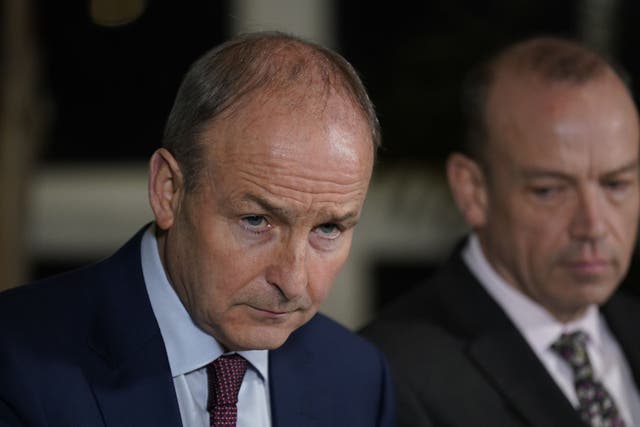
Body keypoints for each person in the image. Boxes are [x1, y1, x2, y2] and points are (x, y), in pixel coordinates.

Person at [0, 32, 395, 427]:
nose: (292, 282)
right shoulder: (15, 358)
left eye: (327, 228)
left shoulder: (359, 380)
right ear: (168, 190)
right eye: (256, 221)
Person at [362, 36, 640, 427]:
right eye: (549, 190)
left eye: (616, 185)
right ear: (473, 191)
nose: (593, 225)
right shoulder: (387, 377)